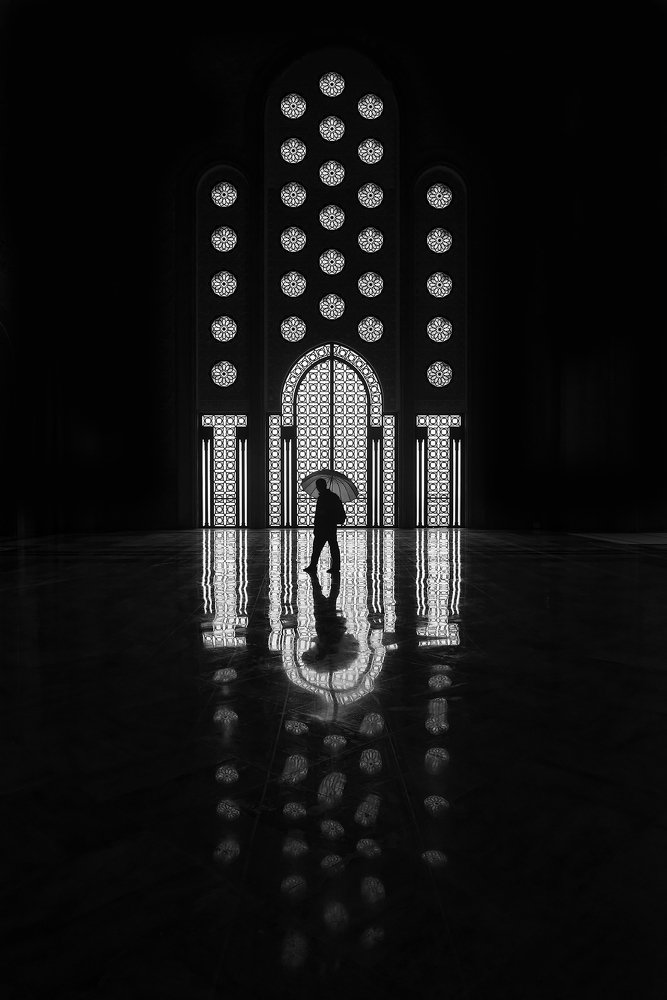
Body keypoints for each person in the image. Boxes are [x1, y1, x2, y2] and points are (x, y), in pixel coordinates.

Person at [303, 477, 346, 575]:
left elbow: (319, 514)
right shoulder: (333, 496)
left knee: (317, 547)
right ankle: (335, 567)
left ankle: (313, 566)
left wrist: (316, 526)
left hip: (323, 526)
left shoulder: (323, 497)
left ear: (319, 486)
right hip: (331, 526)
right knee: (333, 546)